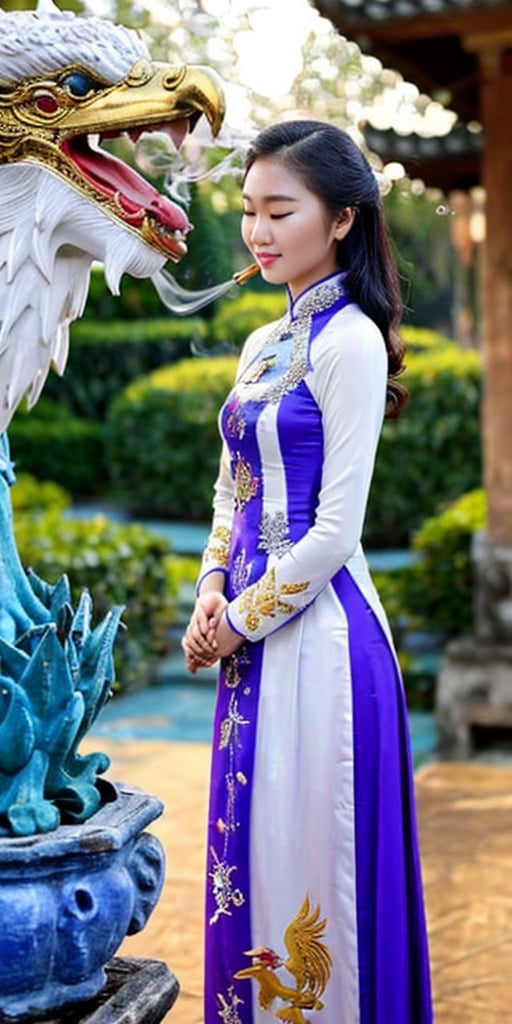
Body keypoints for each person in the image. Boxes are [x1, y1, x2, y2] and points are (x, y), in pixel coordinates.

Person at [182, 120, 433, 1024]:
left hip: (319, 646)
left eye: (280, 210)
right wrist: (208, 591)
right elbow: (231, 488)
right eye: (250, 210)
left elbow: (335, 532)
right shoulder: (259, 348)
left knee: (308, 870)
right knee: (243, 858)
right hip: (247, 638)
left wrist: (238, 618)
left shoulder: (352, 342)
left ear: (342, 220)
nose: (258, 231)